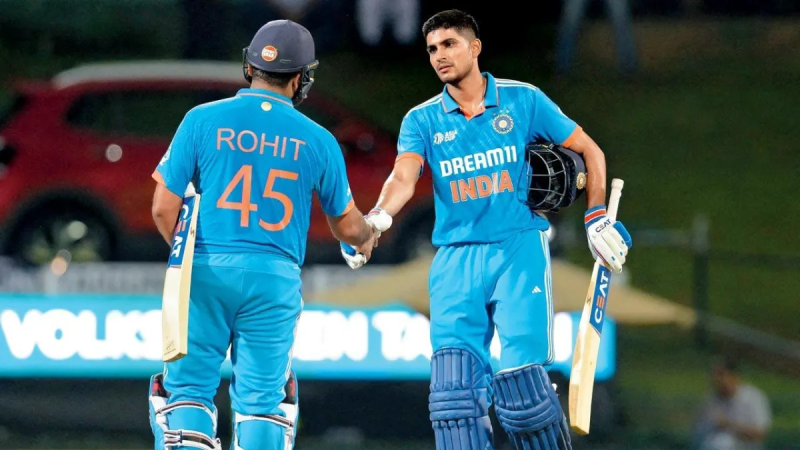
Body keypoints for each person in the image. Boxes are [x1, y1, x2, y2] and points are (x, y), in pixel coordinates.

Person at [340, 9, 632, 450]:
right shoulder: (422, 119)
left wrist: (596, 217)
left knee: (523, 396)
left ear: (474, 47)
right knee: (453, 402)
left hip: (517, 250)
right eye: (432, 49)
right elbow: (403, 176)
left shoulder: (523, 100)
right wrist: (378, 217)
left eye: (449, 44)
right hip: (454, 260)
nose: (440, 56)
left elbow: (590, 151)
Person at [148, 19, 383, 450]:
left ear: (249, 66)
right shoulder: (319, 140)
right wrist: (366, 236)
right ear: (300, 78)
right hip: (275, 280)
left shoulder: (201, 119)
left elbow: (164, 207)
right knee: (263, 403)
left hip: (204, 270)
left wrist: (190, 262)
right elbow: (347, 226)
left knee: (186, 392)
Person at [693, 356, 772, 450]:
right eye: (714, 375)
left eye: (721, 374)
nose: (716, 379)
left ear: (734, 376)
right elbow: (698, 432)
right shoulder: (710, 400)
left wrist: (727, 425)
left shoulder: (753, 397)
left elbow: (760, 434)